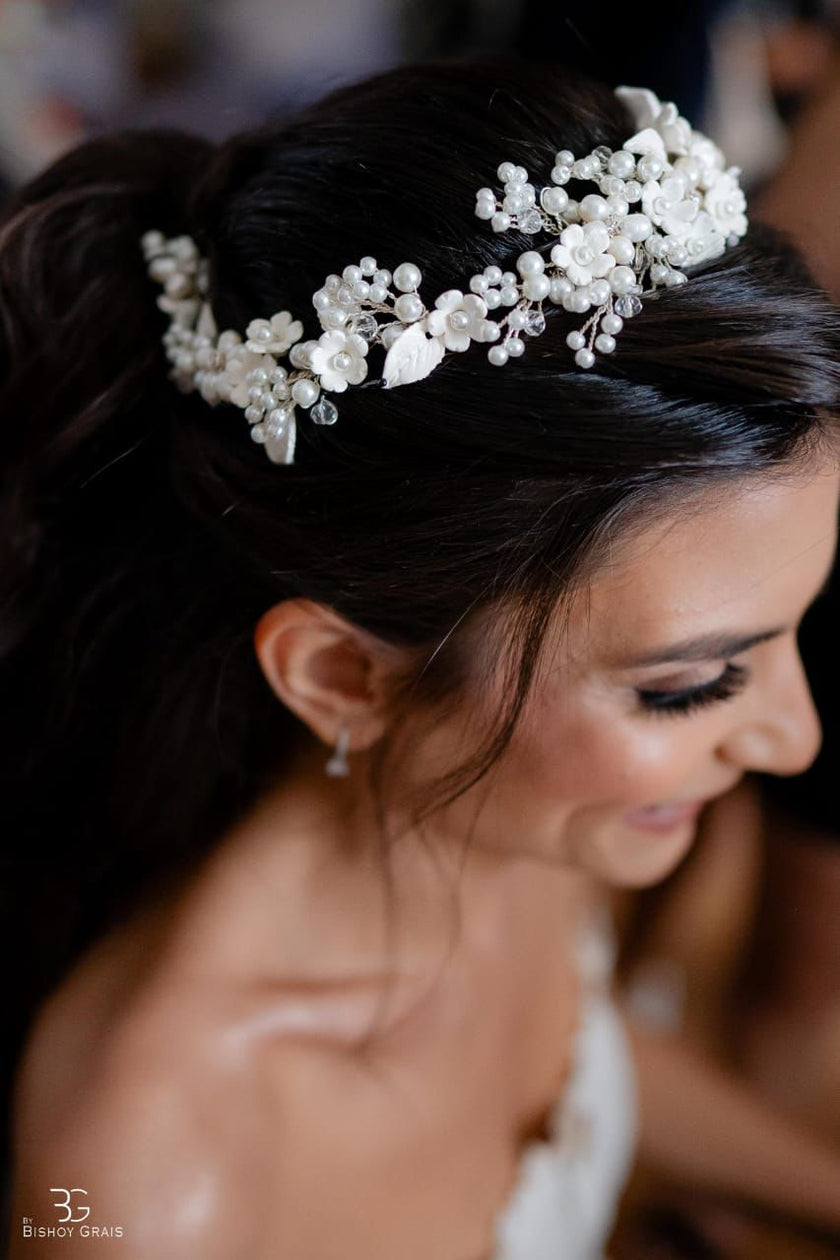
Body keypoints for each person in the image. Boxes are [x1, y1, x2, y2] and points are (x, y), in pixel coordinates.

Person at [3, 58, 840, 1259]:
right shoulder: (138, 1187)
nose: (796, 740)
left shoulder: (514, 811)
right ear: (343, 678)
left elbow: (571, 1057)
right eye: (687, 685)